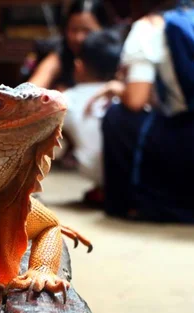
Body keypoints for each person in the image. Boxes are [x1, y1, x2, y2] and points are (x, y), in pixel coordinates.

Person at [87, 0, 194, 223]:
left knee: (118, 116)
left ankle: (126, 205)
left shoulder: (149, 25)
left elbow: (136, 100)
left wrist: (118, 88)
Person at [58, 29, 122, 205]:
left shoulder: (68, 98)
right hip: (134, 172)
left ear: (78, 66)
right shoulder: (126, 95)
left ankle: (103, 188)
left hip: (95, 171)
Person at [27, 0, 112, 91]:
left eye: (86, 31)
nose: (79, 38)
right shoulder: (59, 56)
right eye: (74, 30)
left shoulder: (114, 55)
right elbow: (33, 89)